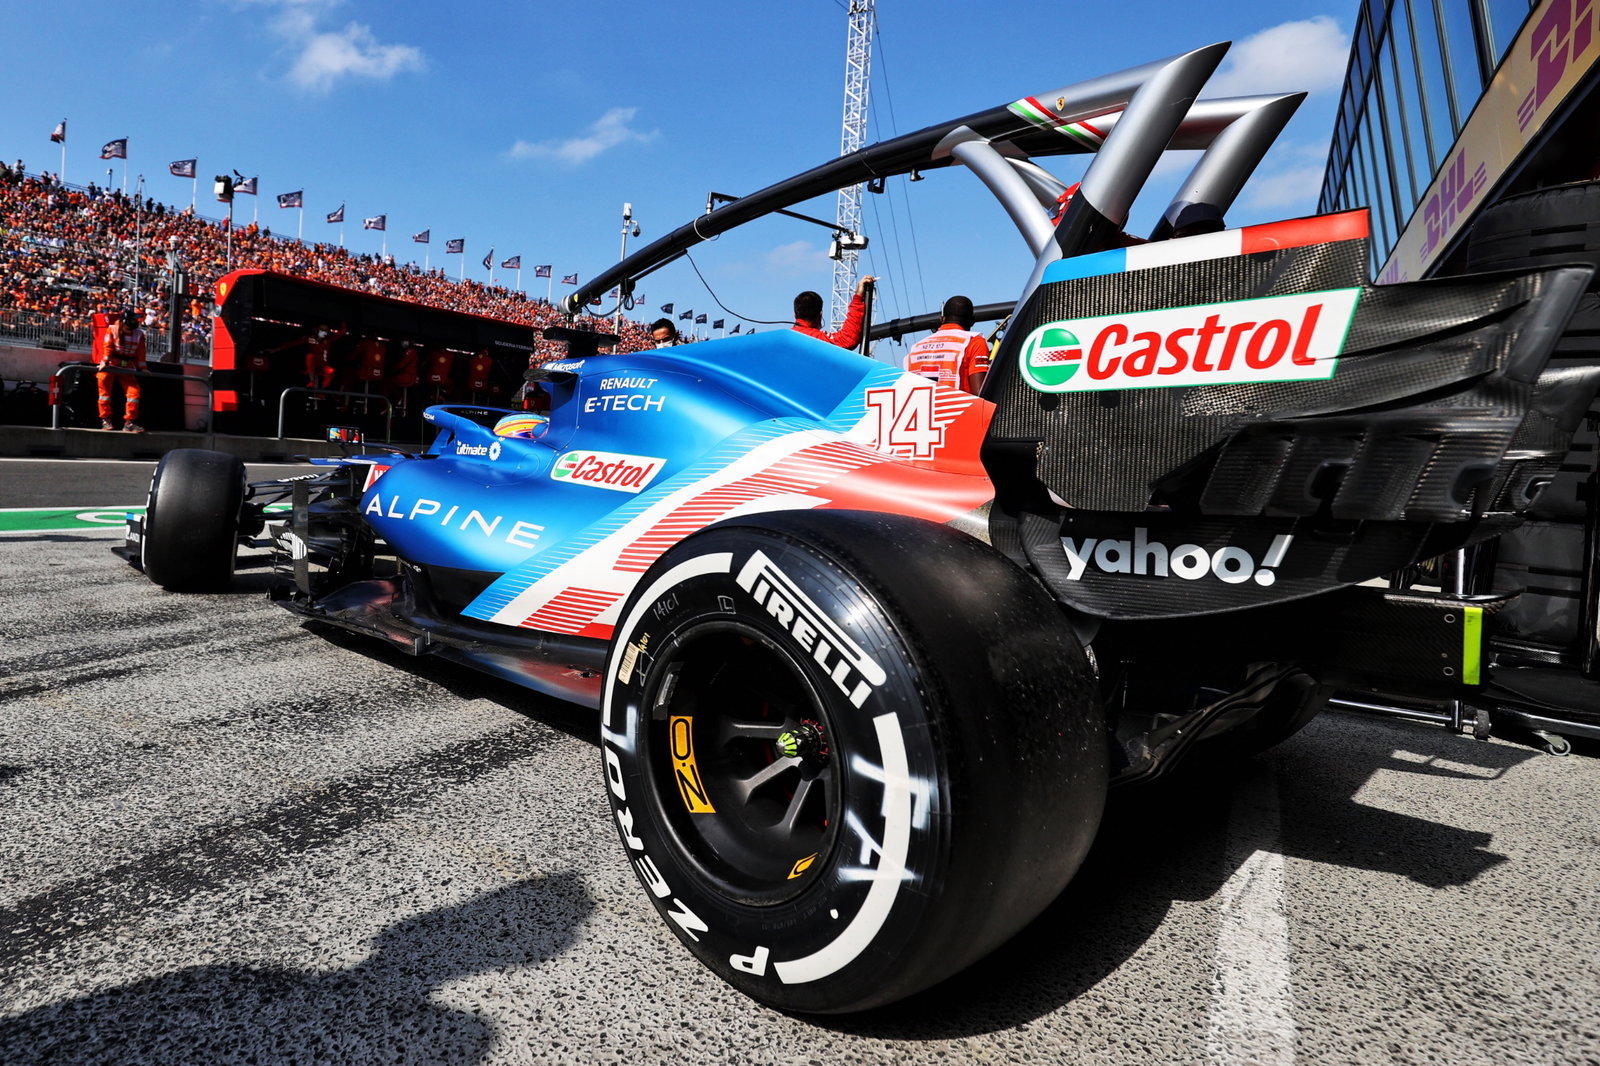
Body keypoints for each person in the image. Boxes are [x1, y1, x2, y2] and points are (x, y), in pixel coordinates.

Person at [902, 296, 990, 395]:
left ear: (942, 319)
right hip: (957, 404)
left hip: (920, 404)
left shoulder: (916, 348)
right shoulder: (974, 342)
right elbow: (980, 393)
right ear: (972, 321)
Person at [791, 274, 876, 349]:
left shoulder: (786, 337)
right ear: (820, 315)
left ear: (795, 315)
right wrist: (858, 297)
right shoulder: (815, 338)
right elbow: (846, 340)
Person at [97, 309, 147, 432]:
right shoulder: (112, 330)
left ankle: (130, 422)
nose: (135, 322)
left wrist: (143, 368)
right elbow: (108, 346)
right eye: (133, 320)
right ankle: (105, 419)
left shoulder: (139, 334)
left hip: (127, 366)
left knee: (134, 393)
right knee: (104, 393)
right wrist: (105, 362)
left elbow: (141, 353)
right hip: (111, 365)